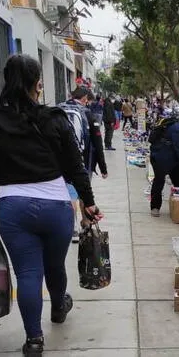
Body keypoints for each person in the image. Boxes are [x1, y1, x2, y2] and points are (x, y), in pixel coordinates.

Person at [0, 55, 103, 356]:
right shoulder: (56, 118)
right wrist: (89, 203)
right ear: (38, 84)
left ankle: (34, 340)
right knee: (54, 265)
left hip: (12, 207)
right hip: (56, 206)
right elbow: (76, 167)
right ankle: (59, 307)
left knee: (28, 274)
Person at [58, 87, 108, 242]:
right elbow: (98, 143)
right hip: (82, 162)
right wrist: (103, 167)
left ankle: (70, 228)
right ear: (85, 98)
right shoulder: (87, 113)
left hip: (59, 163)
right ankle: (85, 223)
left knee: (69, 194)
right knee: (82, 192)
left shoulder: (57, 110)